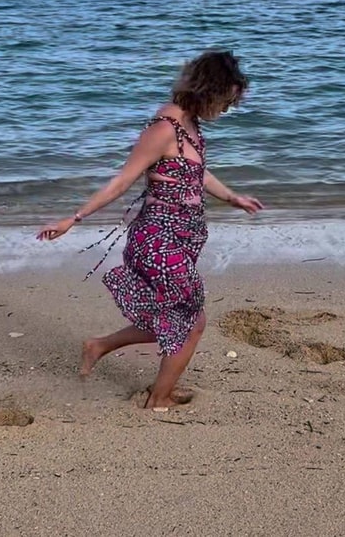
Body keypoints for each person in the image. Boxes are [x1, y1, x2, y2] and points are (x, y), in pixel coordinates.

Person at [37, 50, 264, 410]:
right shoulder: (163, 129)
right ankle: (159, 399)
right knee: (192, 320)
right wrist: (73, 219)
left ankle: (99, 346)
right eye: (225, 101)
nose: (226, 109)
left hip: (184, 237)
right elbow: (121, 181)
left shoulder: (189, 124)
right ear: (207, 91)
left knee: (173, 316)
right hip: (157, 239)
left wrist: (232, 197)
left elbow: (195, 171)